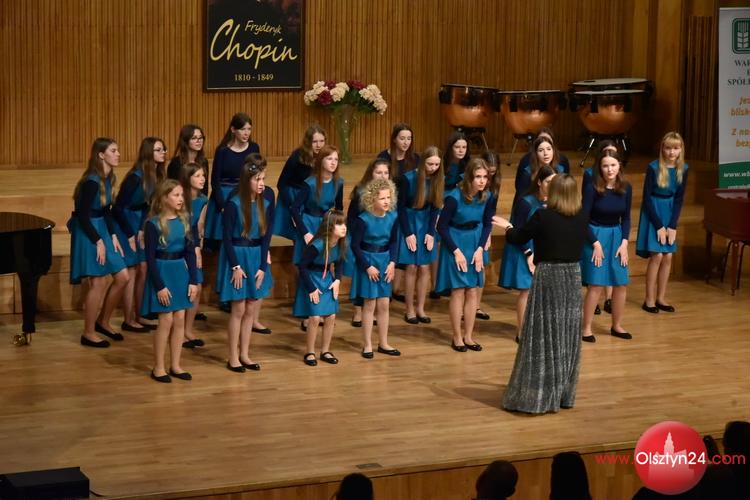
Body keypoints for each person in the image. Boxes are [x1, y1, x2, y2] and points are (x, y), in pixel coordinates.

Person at [493, 174, 589, 414]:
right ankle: (562, 393)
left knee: (543, 333)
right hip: (573, 277)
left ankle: (539, 394)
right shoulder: (582, 216)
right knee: (565, 334)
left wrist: (508, 227)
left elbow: (518, 237)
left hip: (549, 276)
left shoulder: (543, 216)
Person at [216, 154, 274, 373]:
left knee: (251, 308)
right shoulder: (233, 204)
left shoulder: (265, 203)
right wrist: (235, 267)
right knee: (238, 309)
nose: (261, 184)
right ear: (246, 179)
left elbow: (266, 238)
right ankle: (233, 357)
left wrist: (263, 266)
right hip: (238, 259)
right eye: (257, 179)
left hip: (256, 257)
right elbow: (227, 238)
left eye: (263, 179)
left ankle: (245, 354)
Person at [69, 138, 129, 348]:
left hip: (102, 227)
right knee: (98, 282)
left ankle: (103, 321)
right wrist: (98, 241)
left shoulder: (108, 178)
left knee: (123, 277)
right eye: (113, 150)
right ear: (101, 155)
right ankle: (88, 333)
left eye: (117, 150)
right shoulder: (92, 181)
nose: (118, 154)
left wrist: (112, 236)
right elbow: (82, 216)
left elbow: (106, 210)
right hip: (88, 231)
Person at [141, 180, 199, 382]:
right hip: (162, 273)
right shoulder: (153, 224)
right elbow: (150, 258)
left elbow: (190, 253)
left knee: (180, 318)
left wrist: (193, 280)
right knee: (165, 320)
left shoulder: (185, 221)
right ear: (164, 198)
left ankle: (176, 364)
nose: (181, 199)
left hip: (180, 272)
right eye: (176, 195)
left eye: (182, 195)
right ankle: (158, 367)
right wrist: (160, 286)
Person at [436, 158, 494, 352]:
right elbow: (441, 227)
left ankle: (468, 336)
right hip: (456, 242)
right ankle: (457, 337)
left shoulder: (487, 196)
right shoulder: (454, 197)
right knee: (459, 290)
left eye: (485, 177)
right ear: (469, 178)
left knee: (472, 290)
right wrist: (456, 251)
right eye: (478, 177)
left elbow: (487, 224)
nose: (482, 181)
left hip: (475, 242)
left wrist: (480, 249)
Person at [111, 137, 166, 334]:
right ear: (148, 152)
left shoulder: (156, 174)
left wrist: (142, 229)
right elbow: (117, 208)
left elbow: (146, 206)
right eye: (158, 150)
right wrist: (129, 234)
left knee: (143, 268)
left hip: (139, 223)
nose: (163, 153)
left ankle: (140, 313)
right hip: (124, 224)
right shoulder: (135, 177)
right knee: (132, 270)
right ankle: (128, 319)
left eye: (164, 149)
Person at [498, 165, 556, 342]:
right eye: (548, 181)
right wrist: (529, 253)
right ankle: (521, 331)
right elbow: (517, 231)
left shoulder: (555, 201)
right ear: (539, 182)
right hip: (524, 248)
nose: (552, 185)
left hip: (543, 249)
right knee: (527, 291)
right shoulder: (526, 202)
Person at [581, 151, 632, 342]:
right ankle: (586, 328)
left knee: (621, 283)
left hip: (617, 236)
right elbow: (583, 219)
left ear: (619, 166)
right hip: (595, 236)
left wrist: (625, 243)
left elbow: (626, 218)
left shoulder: (626, 187)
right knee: (596, 284)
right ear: (600, 168)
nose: (610, 169)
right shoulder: (592, 188)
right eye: (605, 166)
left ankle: (616, 325)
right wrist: (595, 243)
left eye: (613, 165)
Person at [636, 131, 688, 314]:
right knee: (657, 255)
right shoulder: (653, 167)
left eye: (676, 148)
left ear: (681, 149)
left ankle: (661, 298)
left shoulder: (684, 169)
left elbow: (679, 199)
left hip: (669, 212)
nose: (672, 152)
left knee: (668, 256)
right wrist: (659, 226)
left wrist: (672, 225)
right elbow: (646, 198)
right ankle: (649, 300)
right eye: (668, 148)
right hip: (653, 212)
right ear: (662, 149)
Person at [350, 179, 400, 358]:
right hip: (368, 262)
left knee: (384, 303)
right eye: (382, 198)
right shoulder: (363, 220)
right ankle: (367, 344)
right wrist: (367, 267)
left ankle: (383, 343)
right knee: (370, 303)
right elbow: (355, 245)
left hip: (385, 261)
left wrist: (392, 263)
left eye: (388, 197)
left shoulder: (393, 216)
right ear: (372, 199)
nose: (386, 201)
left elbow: (394, 241)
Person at [293, 210, 346, 366]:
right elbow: (302, 266)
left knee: (331, 316)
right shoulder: (318, 245)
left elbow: (340, 263)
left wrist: (337, 280)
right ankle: (310, 352)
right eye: (339, 224)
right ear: (329, 227)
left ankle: (325, 351)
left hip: (327, 279)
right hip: (312, 278)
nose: (344, 227)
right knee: (315, 318)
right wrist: (311, 288)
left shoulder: (341, 243)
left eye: (344, 223)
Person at [396, 146, 443, 324]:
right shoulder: (407, 179)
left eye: (437, 165)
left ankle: (421, 308)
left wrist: (431, 232)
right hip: (409, 222)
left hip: (426, 223)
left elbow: (436, 207)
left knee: (424, 267)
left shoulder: (438, 178)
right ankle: (409, 309)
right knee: (412, 267)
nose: (433, 168)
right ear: (423, 162)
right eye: (430, 164)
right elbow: (400, 208)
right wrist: (408, 233)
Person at [345, 158, 391, 326]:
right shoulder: (361, 191)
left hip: (381, 241)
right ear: (371, 173)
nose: (383, 176)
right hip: (362, 240)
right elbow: (352, 218)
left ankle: (375, 312)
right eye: (379, 172)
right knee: (362, 278)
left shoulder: (389, 193)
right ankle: (358, 311)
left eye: (386, 173)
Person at [203, 113, 260, 250]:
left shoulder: (254, 148)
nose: (246, 133)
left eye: (249, 129)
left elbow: (257, 174)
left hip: (245, 194)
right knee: (221, 240)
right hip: (224, 196)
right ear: (233, 129)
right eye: (242, 129)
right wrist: (222, 205)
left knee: (242, 236)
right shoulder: (222, 150)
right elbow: (215, 181)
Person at [582, 139, 620, 315]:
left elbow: (626, 216)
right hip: (595, 227)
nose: (610, 168)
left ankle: (609, 299)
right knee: (596, 273)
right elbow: (585, 207)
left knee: (611, 269)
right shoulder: (590, 176)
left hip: (613, 229)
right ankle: (594, 303)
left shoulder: (622, 185)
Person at [274, 125, 326, 240]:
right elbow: (281, 183)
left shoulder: (326, 156)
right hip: (294, 196)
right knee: (299, 233)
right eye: (314, 142)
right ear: (308, 142)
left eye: (322, 141)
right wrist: (292, 206)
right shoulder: (297, 156)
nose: (319, 145)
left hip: (311, 196)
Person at [179, 162, 208, 348]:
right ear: (187, 178)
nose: (202, 179)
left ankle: (188, 330)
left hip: (193, 246)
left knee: (197, 286)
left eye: (203, 175)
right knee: (183, 287)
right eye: (197, 176)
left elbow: (199, 227)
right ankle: (178, 332)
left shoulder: (203, 200)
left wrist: (198, 249)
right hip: (178, 245)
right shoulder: (179, 196)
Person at [513, 127, 570, 208]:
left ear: (553, 149)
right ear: (536, 152)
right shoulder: (527, 172)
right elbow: (521, 198)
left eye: (549, 149)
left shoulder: (561, 169)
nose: (546, 153)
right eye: (541, 150)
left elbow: (565, 194)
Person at [476, 150, 501, 321]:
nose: (489, 176)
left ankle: (476, 306)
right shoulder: (471, 179)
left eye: (493, 172)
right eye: (488, 171)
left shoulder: (495, 184)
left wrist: (489, 233)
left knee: (482, 266)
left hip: (483, 227)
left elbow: (491, 212)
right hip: (469, 228)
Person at [166, 124, 209, 196]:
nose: (198, 141)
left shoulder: (204, 161)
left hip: (199, 199)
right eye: (194, 138)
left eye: (200, 138)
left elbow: (205, 188)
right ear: (185, 141)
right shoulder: (176, 163)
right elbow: (172, 188)